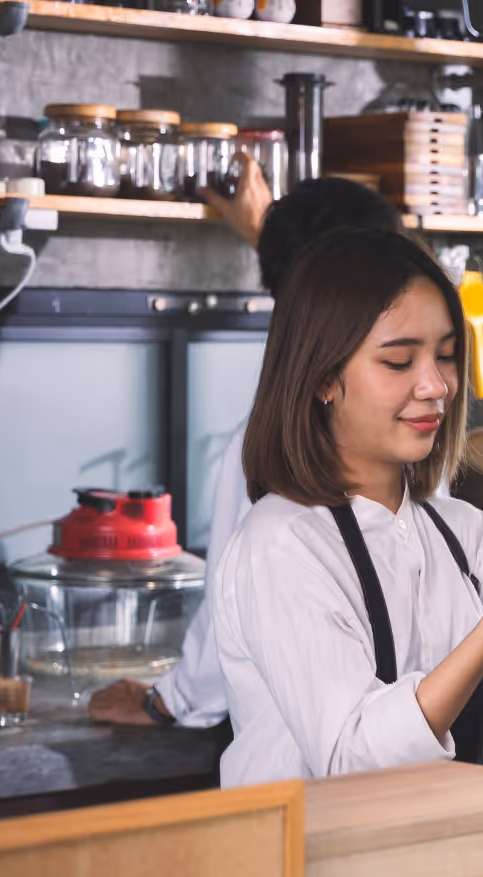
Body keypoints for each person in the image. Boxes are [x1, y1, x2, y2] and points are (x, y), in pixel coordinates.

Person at [214, 228, 483, 785]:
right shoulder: (282, 542)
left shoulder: (461, 530)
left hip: (440, 855)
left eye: (445, 356)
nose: (436, 385)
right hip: (312, 864)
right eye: (398, 362)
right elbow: (350, 761)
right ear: (322, 378)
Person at [88, 175, 404, 728]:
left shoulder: (277, 441)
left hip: (304, 766)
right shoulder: (419, 421)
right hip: (413, 744)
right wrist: (269, 234)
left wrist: (167, 701)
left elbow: (231, 611)